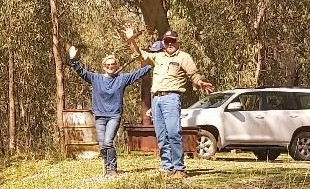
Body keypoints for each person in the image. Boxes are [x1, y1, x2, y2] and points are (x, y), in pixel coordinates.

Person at [123, 26, 214, 177]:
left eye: (172, 41)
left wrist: (200, 83)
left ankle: (179, 168)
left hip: (171, 98)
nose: (169, 44)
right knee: (161, 135)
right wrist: (131, 40)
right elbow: (139, 55)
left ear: (178, 42)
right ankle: (167, 167)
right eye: (166, 41)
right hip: (156, 99)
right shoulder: (158, 57)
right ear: (163, 43)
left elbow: (193, 74)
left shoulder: (184, 57)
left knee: (173, 133)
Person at [68, 45, 152, 177]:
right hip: (100, 116)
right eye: (107, 65)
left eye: (113, 64)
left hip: (114, 116)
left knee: (108, 142)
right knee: (103, 145)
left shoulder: (121, 79)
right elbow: (81, 71)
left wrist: (152, 63)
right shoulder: (95, 78)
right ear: (103, 66)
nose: (110, 66)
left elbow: (137, 74)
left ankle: (112, 169)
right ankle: (107, 169)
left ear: (116, 65)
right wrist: (73, 59)